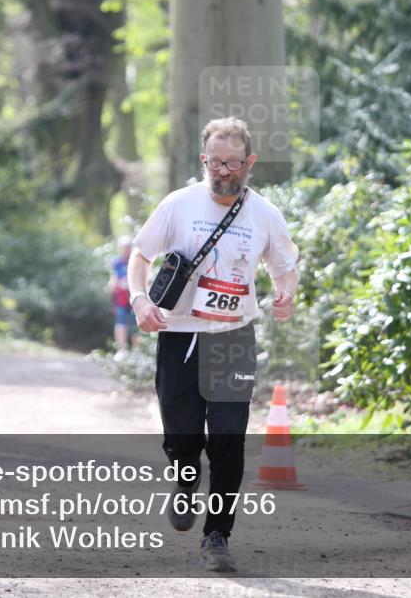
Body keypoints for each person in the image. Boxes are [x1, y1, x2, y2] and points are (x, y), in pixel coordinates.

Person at [127, 117, 299, 572]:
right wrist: (140, 298)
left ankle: (217, 535)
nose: (225, 172)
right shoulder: (178, 205)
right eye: (216, 163)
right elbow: (140, 255)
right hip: (179, 333)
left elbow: (285, 264)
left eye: (234, 163)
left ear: (250, 162)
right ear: (204, 161)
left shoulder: (264, 213)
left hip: (233, 338)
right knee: (181, 434)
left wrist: (286, 291)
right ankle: (186, 480)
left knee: (228, 438)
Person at [109, 236, 139, 350]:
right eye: (124, 247)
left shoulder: (135, 261)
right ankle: (121, 350)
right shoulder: (116, 262)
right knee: (120, 324)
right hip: (120, 300)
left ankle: (137, 351)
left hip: (133, 300)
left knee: (135, 326)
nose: (126, 250)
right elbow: (113, 281)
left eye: (128, 247)